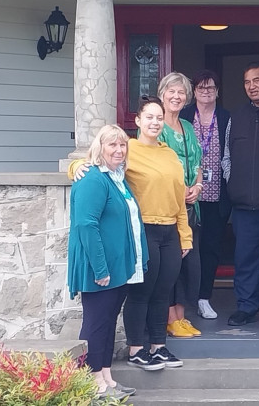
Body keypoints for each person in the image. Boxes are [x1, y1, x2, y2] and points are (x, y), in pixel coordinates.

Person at [69, 97, 192, 370]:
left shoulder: (170, 153)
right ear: (137, 120)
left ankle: (158, 346)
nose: (155, 122)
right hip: (143, 229)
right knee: (142, 292)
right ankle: (137, 348)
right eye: (149, 117)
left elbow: (179, 197)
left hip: (170, 230)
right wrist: (76, 166)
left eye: (159, 118)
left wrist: (185, 234)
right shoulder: (128, 148)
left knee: (163, 291)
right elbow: (93, 164)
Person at [67, 124, 149, 399]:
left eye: (122, 145)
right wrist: (100, 268)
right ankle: (91, 383)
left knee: (107, 323)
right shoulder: (92, 178)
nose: (118, 150)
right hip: (99, 269)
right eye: (112, 145)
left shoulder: (116, 178)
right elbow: (86, 226)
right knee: (96, 324)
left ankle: (107, 378)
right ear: (99, 148)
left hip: (118, 268)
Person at [222, 61, 259, 326]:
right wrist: (232, 182)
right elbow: (226, 156)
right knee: (245, 260)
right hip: (243, 205)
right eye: (247, 82)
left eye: (257, 80)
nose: (252, 86)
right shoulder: (237, 116)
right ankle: (246, 307)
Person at [180, 69, 231, 320]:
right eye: (201, 88)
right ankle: (181, 303)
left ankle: (204, 298)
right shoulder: (184, 116)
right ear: (194, 92)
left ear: (217, 92)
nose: (206, 92)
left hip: (216, 195)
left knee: (210, 248)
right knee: (185, 248)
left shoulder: (226, 117)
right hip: (188, 195)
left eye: (210, 88)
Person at [157, 72, 204, 338]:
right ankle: (168, 318)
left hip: (190, 208)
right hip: (166, 208)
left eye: (181, 92)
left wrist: (197, 187)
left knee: (189, 265)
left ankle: (181, 318)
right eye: (171, 91)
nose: (176, 97)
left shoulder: (187, 126)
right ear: (162, 94)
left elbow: (198, 163)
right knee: (170, 265)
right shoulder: (155, 124)